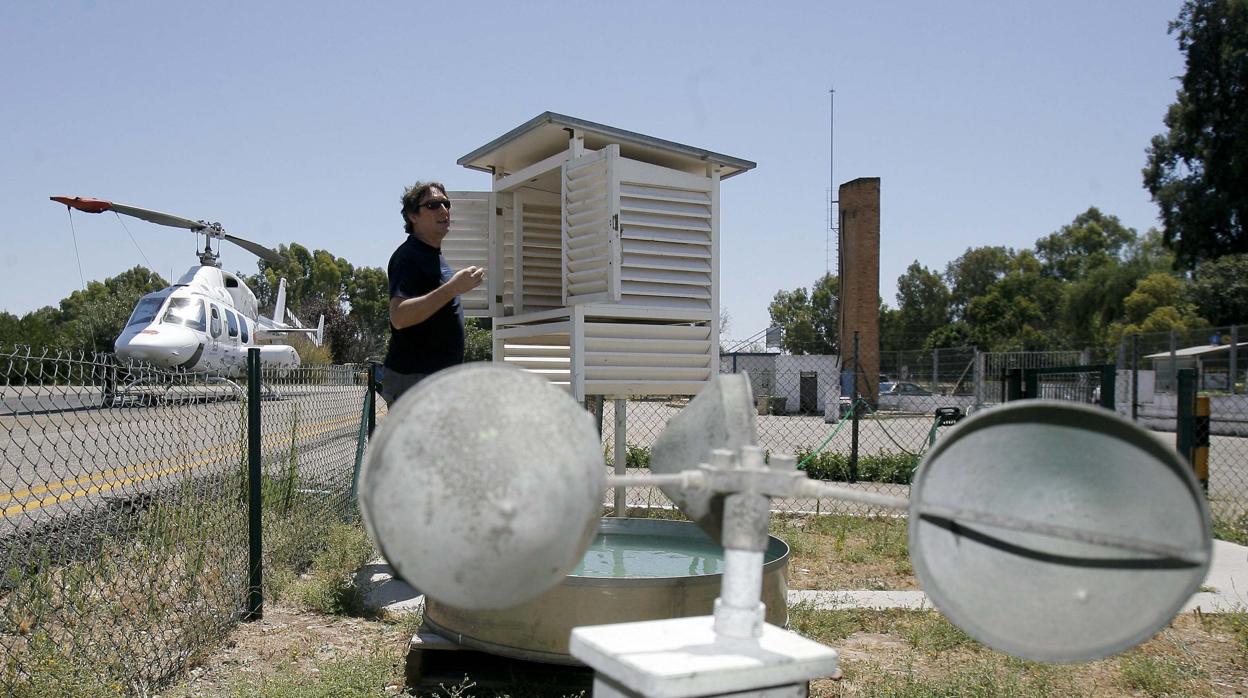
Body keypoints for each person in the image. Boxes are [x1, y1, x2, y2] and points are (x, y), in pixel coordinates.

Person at [381, 181, 484, 407]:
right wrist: (453, 288)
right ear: (412, 216)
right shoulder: (408, 257)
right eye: (433, 205)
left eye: (446, 204)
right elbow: (399, 317)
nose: (443, 210)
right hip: (415, 384)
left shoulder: (434, 257)